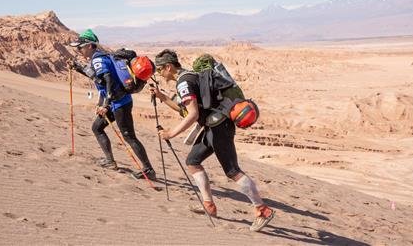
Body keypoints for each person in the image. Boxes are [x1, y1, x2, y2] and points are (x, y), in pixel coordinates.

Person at [150, 49, 275, 232]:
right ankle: (209, 205)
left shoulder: (184, 82)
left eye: (160, 69)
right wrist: (162, 97)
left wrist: (171, 133)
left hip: (219, 128)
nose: (159, 73)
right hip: (213, 126)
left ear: (169, 66)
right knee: (193, 161)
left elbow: (192, 114)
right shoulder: (189, 77)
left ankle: (262, 210)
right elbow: (183, 109)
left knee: (232, 171)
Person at [69, 29, 156, 180]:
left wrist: (105, 104)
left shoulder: (98, 59)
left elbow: (108, 80)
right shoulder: (100, 57)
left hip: (120, 103)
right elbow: (99, 79)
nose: (79, 50)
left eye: (80, 47)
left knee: (129, 137)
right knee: (97, 127)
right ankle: (110, 161)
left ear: (90, 46)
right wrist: (78, 69)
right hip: (116, 101)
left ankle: (148, 170)